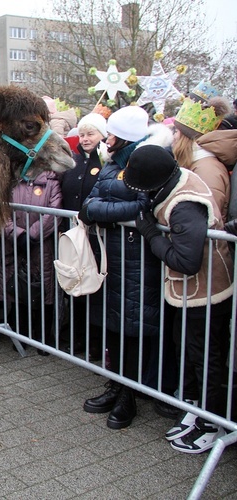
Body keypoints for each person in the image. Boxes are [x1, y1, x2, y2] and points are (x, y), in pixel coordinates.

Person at [125, 145, 233, 454]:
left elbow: (186, 261)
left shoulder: (185, 204)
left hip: (206, 292)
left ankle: (211, 425)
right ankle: (195, 411)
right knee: (187, 352)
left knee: (206, 359)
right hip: (187, 291)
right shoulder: (174, 179)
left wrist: (151, 234)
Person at [77, 105, 172, 429]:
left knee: (135, 332)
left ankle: (129, 396)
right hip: (112, 258)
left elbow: (144, 205)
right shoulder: (112, 163)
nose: (108, 138)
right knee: (114, 328)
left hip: (140, 261)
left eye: (113, 133)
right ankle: (115, 385)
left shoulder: (148, 162)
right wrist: (112, 209)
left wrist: (105, 209)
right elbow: (88, 205)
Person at [0, 169, 63, 355]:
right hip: (14, 245)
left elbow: (54, 211)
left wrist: (32, 235)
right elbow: (2, 211)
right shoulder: (11, 179)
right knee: (17, 289)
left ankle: (43, 338)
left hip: (42, 246)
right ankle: (21, 335)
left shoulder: (51, 180)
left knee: (44, 290)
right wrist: (17, 235)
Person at [59, 111, 109, 360]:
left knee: (94, 288)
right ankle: (77, 337)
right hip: (73, 234)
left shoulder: (106, 162)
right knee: (74, 283)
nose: (86, 138)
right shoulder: (74, 160)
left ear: (103, 135)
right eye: (82, 133)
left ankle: (96, 342)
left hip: (97, 236)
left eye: (91, 133)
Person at [171, 97, 231, 219]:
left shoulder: (207, 170)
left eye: (176, 131)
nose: (173, 136)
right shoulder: (196, 163)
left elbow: (208, 217)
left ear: (186, 138)